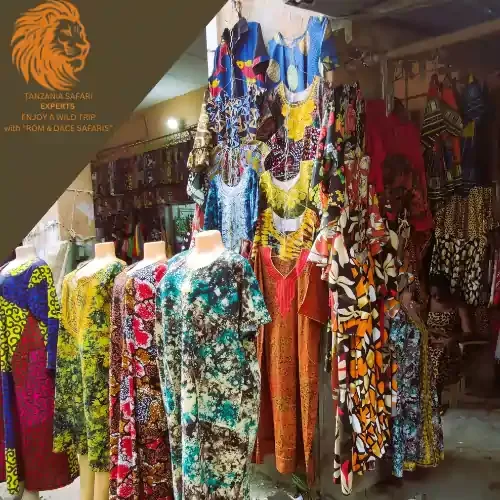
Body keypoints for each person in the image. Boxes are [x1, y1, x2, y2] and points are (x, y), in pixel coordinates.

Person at [426, 273, 474, 414]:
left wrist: (452, 339)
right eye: (434, 295)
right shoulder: (427, 303)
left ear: (447, 290)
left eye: (440, 294)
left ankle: (435, 403)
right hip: (429, 342)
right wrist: (430, 334)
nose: (437, 298)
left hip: (449, 346)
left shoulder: (458, 306)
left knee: (437, 356)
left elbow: (468, 332)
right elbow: (420, 324)